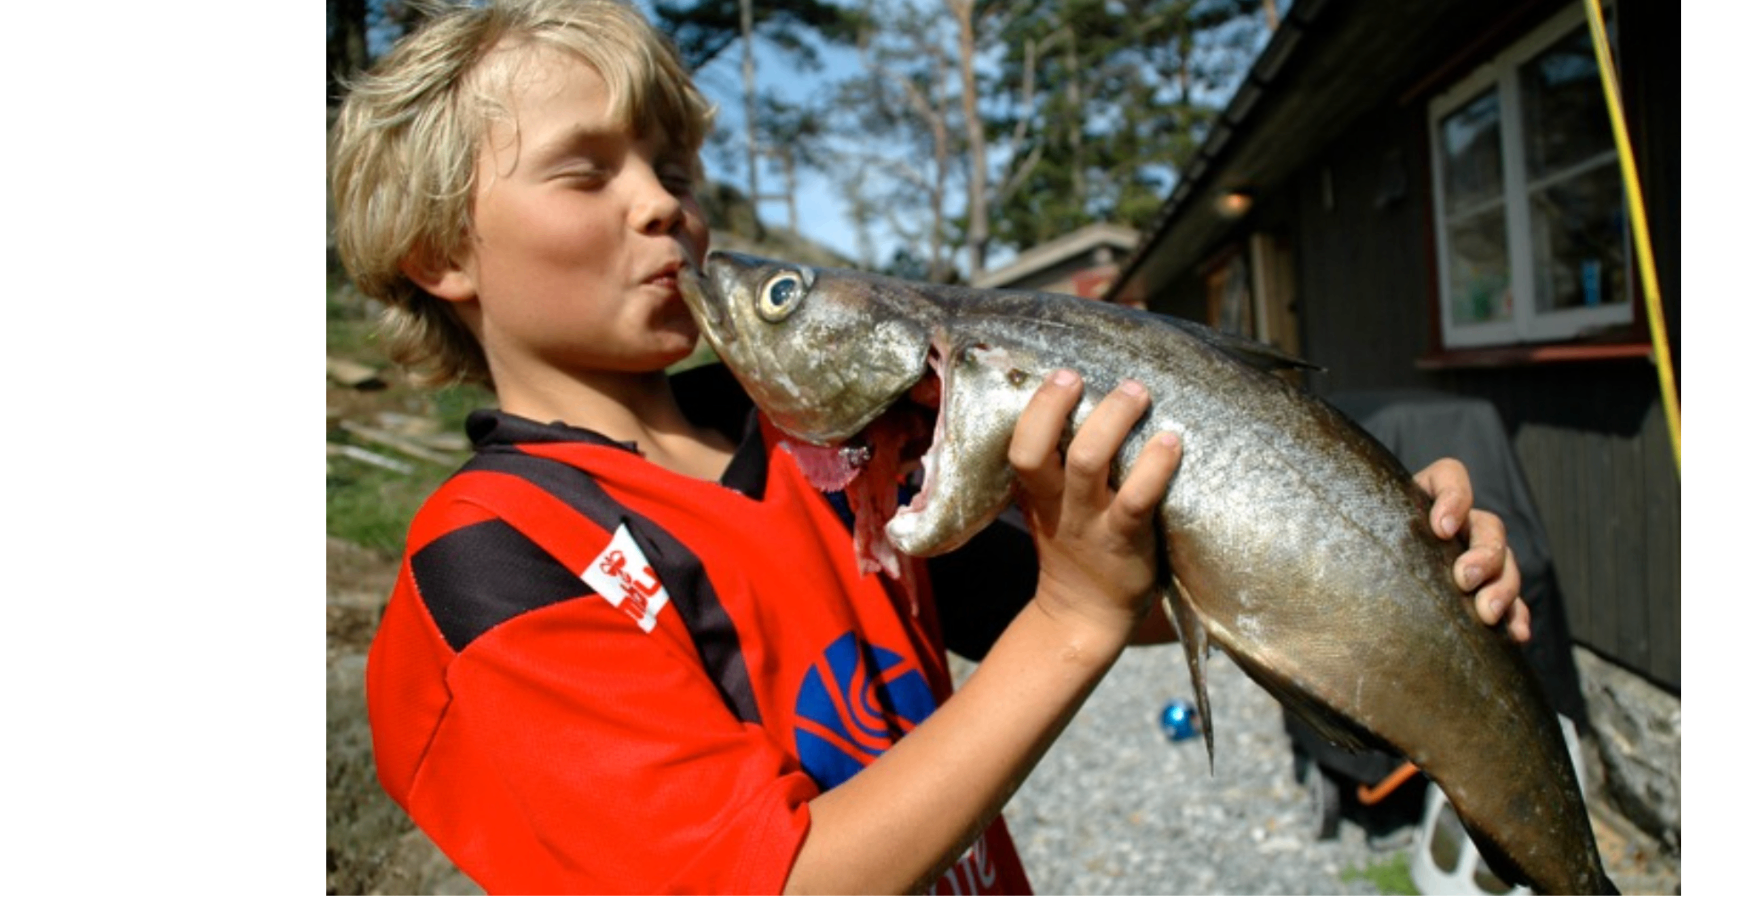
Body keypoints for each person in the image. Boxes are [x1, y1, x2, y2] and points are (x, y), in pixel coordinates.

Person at [328, 0, 1529, 894]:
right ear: (438, 251)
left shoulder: (814, 443)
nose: (664, 205)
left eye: (674, 167)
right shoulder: (494, 561)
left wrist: (1379, 573)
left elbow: (1102, 583)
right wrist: (1073, 620)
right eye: (585, 172)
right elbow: (768, 880)